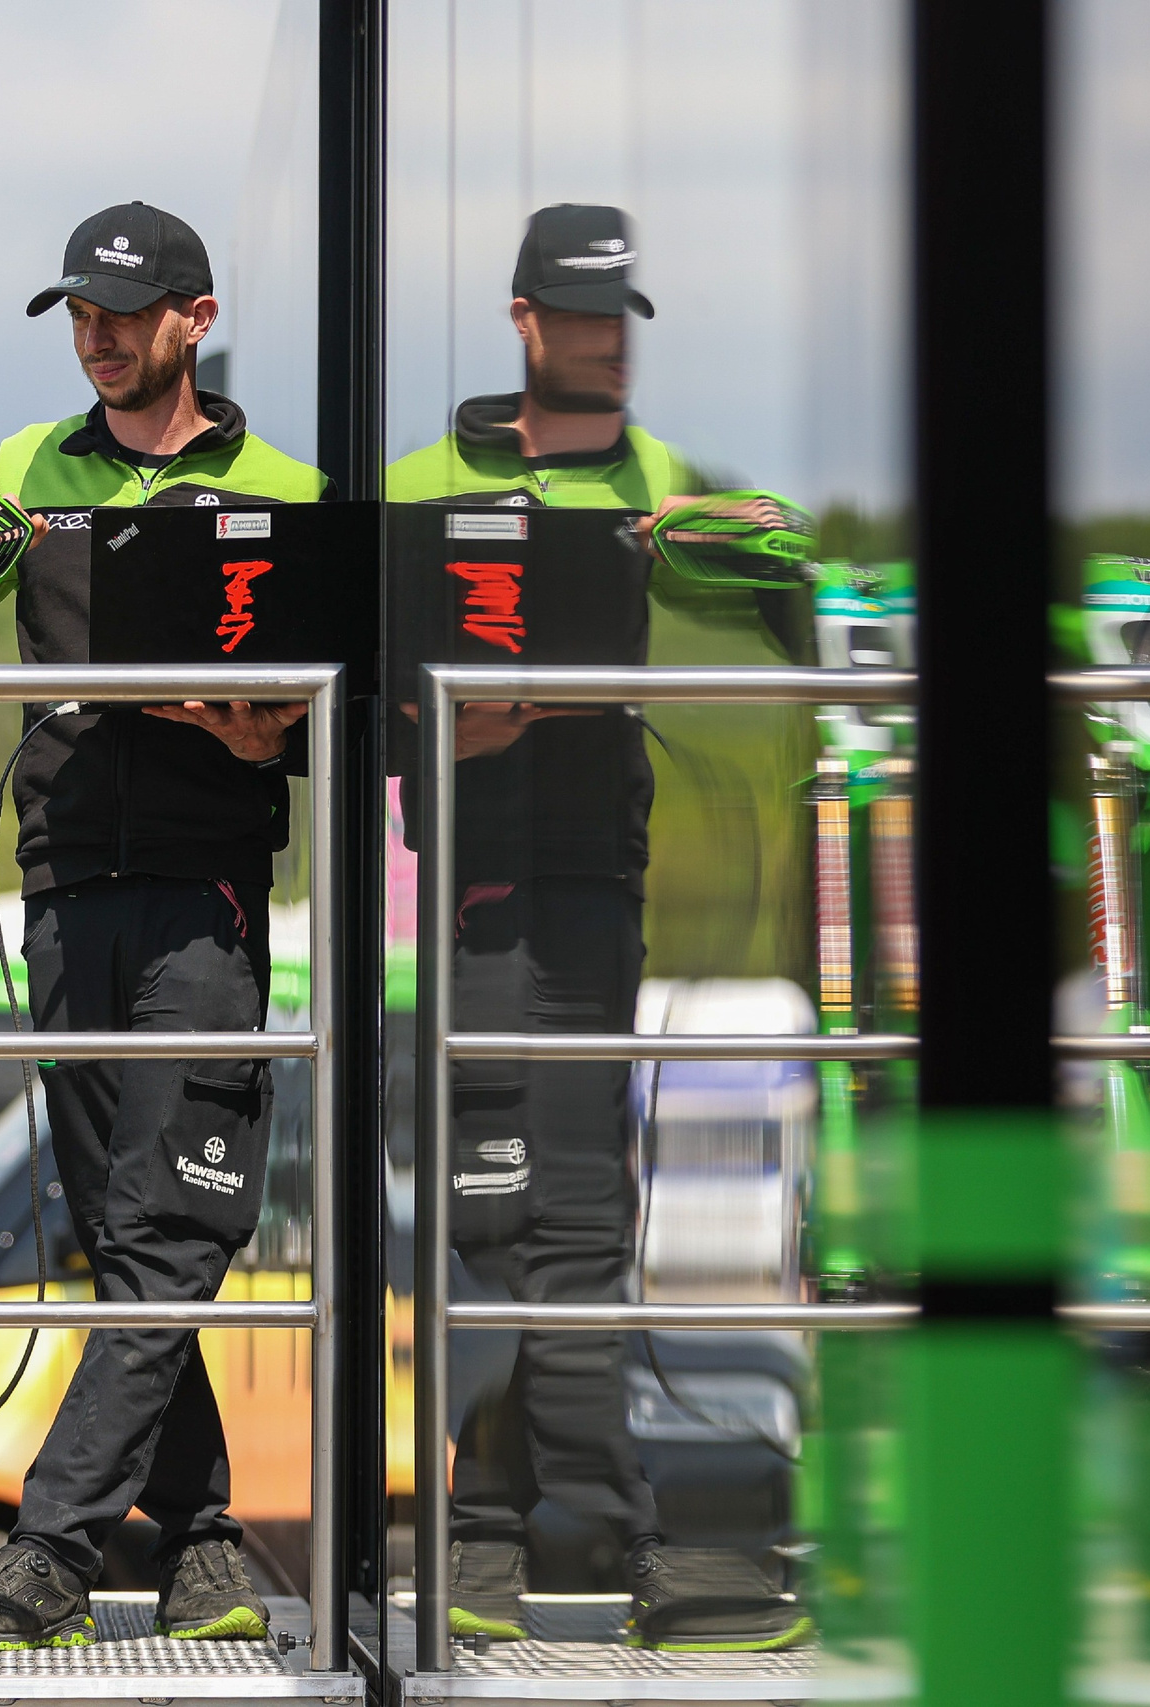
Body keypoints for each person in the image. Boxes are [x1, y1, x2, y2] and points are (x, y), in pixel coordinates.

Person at [0, 201, 321, 1650]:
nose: (96, 337)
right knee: (126, 1236)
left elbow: (349, 705)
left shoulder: (287, 487)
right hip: (62, 889)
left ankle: (52, 1552)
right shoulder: (24, 466)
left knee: (172, 1222)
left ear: (197, 318)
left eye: (123, 312)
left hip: (209, 898)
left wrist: (270, 735)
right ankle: (202, 1544)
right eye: (77, 312)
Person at [387, 205, 809, 1651]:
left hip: (594, 899)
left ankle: (512, 1543)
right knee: (505, 1225)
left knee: (571, 1224)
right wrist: (442, 728)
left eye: (622, 318)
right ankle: (585, 1545)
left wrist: (769, 546)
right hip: (474, 896)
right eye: (580, 317)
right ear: (523, 321)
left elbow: (793, 621)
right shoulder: (422, 483)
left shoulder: (661, 477)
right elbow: (348, 690)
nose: (608, 344)